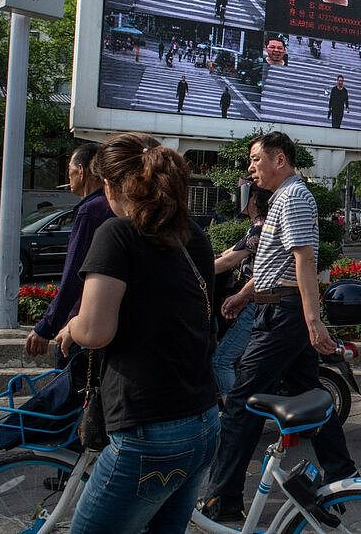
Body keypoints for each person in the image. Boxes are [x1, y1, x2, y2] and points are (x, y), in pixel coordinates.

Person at [54, 132, 218, 532]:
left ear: (109, 185)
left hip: (149, 429)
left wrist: (71, 328)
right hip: (203, 421)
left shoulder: (117, 234)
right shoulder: (192, 235)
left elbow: (95, 330)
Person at [199, 132, 356, 522]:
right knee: (309, 392)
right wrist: (245, 295)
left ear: (280, 159)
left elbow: (304, 264)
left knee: (240, 403)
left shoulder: (296, 197)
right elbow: (275, 264)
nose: (251, 168)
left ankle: (223, 500)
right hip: (277, 309)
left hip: (285, 315)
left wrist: (313, 321)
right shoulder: (281, 199)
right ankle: (343, 474)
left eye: (256, 160)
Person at [26, 143, 114, 362]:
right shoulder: (107, 207)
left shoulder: (91, 211)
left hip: (83, 320)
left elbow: (75, 274)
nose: (69, 176)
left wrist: (47, 326)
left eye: (69, 169)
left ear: (82, 170)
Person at [210, 186, 271, 403]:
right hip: (258, 301)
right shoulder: (256, 227)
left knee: (221, 361)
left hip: (255, 302)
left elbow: (228, 261)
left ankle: (234, 415)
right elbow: (227, 253)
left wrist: (192, 269)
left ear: (254, 200)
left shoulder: (260, 229)